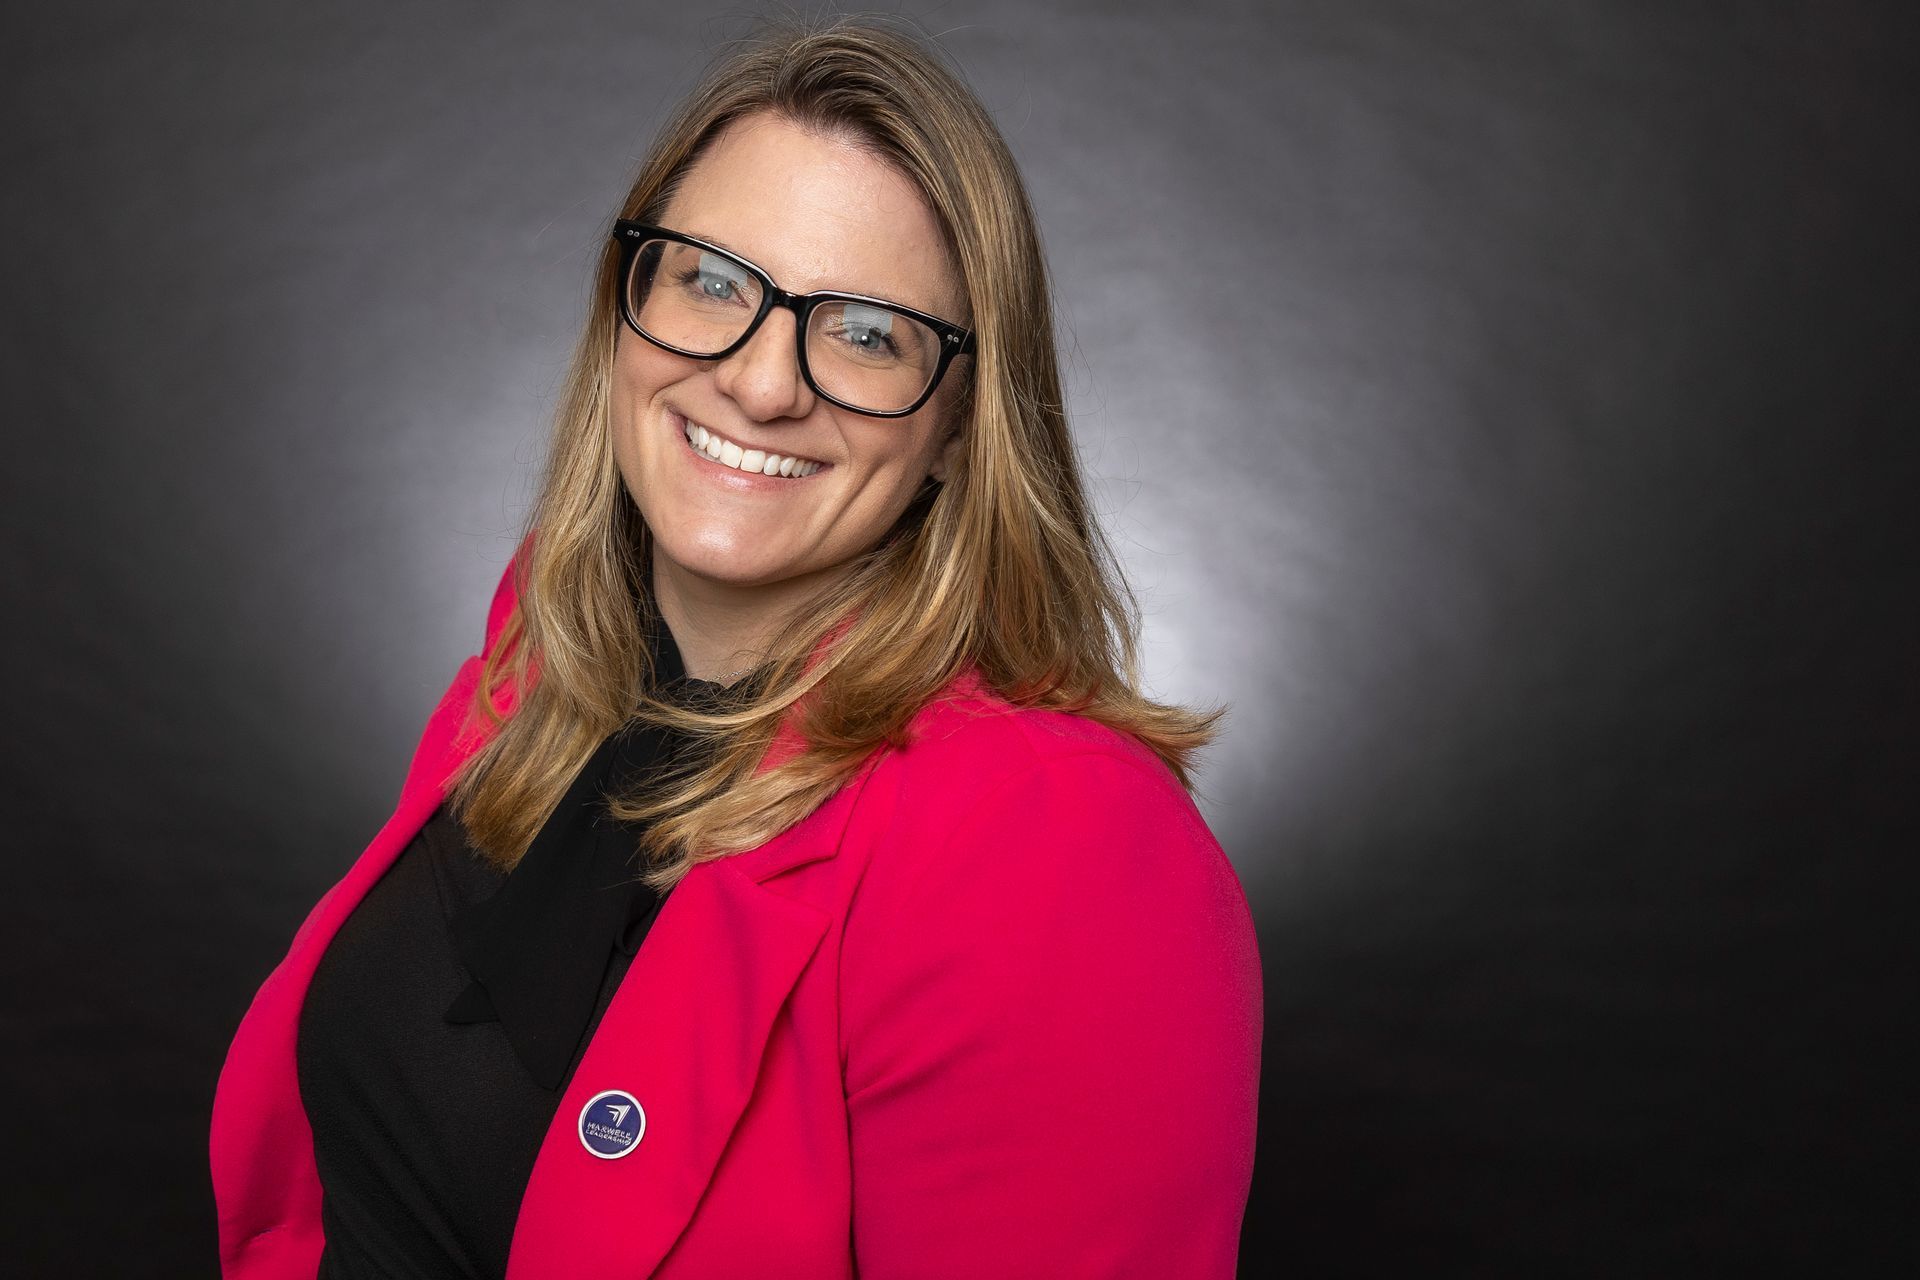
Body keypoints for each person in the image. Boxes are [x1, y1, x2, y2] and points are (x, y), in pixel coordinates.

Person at [210, 16, 1262, 1279]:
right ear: (625, 310)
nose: (765, 384)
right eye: (711, 280)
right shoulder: (547, 654)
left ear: (961, 430)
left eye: (867, 332)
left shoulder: (1057, 836)